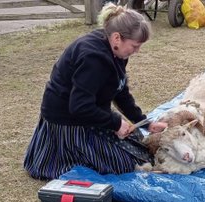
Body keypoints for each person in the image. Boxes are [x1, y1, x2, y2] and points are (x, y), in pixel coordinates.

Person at [23, 3, 167, 180]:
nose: (137, 51)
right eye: (135, 46)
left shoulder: (117, 52)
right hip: (68, 122)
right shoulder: (93, 58)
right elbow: (79, 107)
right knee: (125, 164)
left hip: (88, 113)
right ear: (116, 38)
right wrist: (114, 123)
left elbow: (120, 91)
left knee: (139, 148)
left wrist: (145, 122)